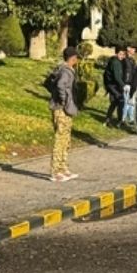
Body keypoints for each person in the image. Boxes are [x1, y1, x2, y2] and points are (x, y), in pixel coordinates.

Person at [45, 47, 80, 183]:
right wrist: (64, 100)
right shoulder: (65, 71)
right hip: (61, 109)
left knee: (66, 140)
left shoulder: (64, 69)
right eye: (76, 57)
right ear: (72, 58)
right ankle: (55, 172)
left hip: (64, 109)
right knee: (60, 140)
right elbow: (61, 85)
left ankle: (63, 167)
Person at [102, 46, 127, 127]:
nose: (122, 56)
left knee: (115, 102)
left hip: (112, 85)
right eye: (120, 54)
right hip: (114, 85)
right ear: (116, 53)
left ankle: (110, 120)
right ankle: (117, 120)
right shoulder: (115, 63)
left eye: (123, 54)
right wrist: (123, 85)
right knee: (119, 102)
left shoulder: (116, 61)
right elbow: (117, 77)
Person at [122, 45, 137, 127]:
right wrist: (125, 82)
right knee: (126, 102)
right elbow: (126, 72)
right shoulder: (125, 60)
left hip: (132, 84)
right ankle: (123, 119)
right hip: (127, 83)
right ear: (128, 49)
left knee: (132, 103)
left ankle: (131, 119)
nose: (134, 50)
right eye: (133, 48)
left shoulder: (132, 60)